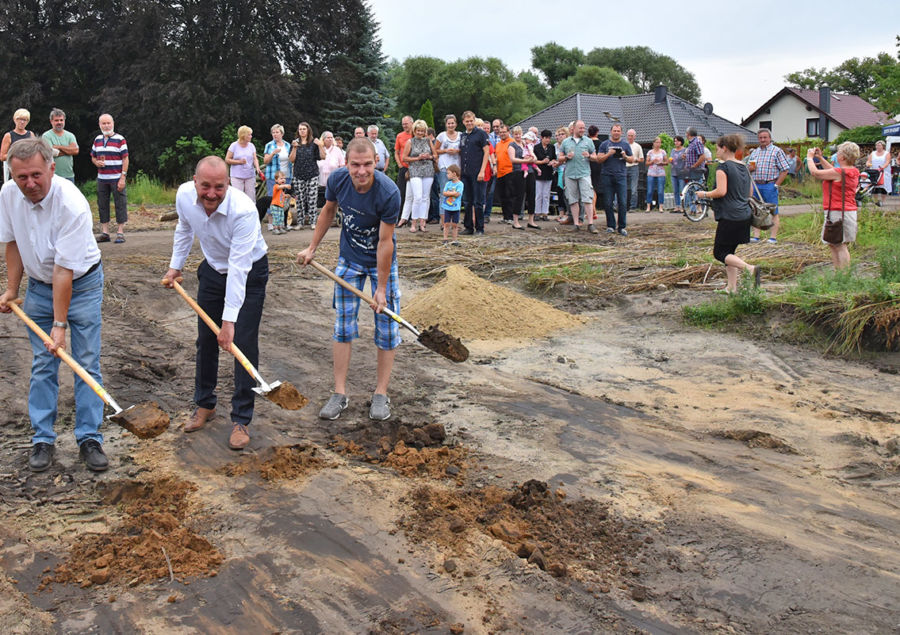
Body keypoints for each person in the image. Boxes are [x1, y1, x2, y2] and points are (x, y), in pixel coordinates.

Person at [0, 138, 108, 472]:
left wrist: (59, 327)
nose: (29, 184)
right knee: (43, 363)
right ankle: (42, 439)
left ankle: (89, 437)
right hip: (38, 288)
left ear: (50, 168)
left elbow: (64, 271)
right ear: (11, 174)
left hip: (82, 283)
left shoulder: (71, 203)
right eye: (21, 178)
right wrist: (12, 289)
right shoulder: (7, 195)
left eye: (36, 175)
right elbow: (13, 242)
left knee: (86, 361)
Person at [162, 156, 269, 450]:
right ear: (195, 182)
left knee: (242, 344)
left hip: (249, 271)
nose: (211, 193)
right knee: (205, 340)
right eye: (205, 186)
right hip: (212, 269)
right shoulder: (185, 196)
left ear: (230, 184)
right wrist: (175, 267)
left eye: (219, 187)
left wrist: (229, 321)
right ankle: (204, 403)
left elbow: (238, 268)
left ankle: (241, 419)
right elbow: (184, 228)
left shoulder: (244, 211)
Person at [296, 138, 401, 421]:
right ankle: (339, 393)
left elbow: (385, 241)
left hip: (381, 262)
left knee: (387, 328)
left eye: (367, 164)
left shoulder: (388, 192)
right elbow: (328, 211)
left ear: (376, 162)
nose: (362, 171)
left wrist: (380, 288)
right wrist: (312, 248)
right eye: (355, 165)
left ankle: (380, 394)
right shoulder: (338, 180)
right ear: (346, 163)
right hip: (349, 259)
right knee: (343, 326)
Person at [694, 135, 760, 293]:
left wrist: (703, 194)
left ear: (724, 148)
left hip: (730, 215)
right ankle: (731, 287)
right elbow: (749, 192)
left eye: (717, 148)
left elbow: (721, 191)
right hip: (744, 214)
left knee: (719, 253)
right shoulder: (744, 166)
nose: (716, 151)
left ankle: (750, 269)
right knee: (730, 253)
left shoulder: (722, 168)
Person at [806, 143, 861, 270]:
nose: (836, 155)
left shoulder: (841, 172)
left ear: (842, 157)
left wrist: (810, 158)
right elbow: (832, 171)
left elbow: (816, 173)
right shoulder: (850, 171)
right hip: (841, 211)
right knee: (833, 243)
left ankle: (844, 274)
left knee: (839, 244)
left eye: (839, 153)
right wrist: (820, 158)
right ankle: (839, 273)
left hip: (839, 211)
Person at [91, 114, 129, 244]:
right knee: (102, 205)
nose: (106, 126)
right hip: (102, 178)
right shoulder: (97, 139)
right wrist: (96, 163)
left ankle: (120, 232)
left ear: (113, 123)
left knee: (120, 204)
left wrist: (122, 177)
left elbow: (125, 158)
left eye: (108, 123)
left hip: (116, 178)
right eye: (103, 123)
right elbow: (93, 157)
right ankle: (105, 232)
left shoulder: (120, 139)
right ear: (99, 125)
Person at [747, 128, 790, 243]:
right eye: (760, 138)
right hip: (756, 185)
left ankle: (773, 237)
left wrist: (776, 185)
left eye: (765, 137)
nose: (763, 140)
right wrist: (750, 168)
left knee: (773, 211)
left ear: (770, 138)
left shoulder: (776, 151)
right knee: (756, 210)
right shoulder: (755, 152)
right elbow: (748, 168)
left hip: (769, 184)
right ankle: (756, 236)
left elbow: (785, 169)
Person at [558, 120, 597, 232]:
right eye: (580, 128)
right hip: (570, 174)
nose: (582, 130)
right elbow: (559, 158)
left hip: (584, 173)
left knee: (587, 199)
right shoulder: (566, 142)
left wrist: (589, 155)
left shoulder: (588, 141)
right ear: (574, 128)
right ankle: (576, 224)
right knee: (573, 200)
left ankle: (590, 224)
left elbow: (595, 157)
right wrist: (566, 157)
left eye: (583, 128)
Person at [597, 123, 634, 235]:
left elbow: (632, 160)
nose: (616, 132)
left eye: (618, 131)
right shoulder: (604, 144)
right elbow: (599, 159)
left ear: (621, 133)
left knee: (622, 202)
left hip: (621, 176)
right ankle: (610, 225)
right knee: (608, 202)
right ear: (611, 132)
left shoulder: (625, 145)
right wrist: (609, 153)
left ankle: (622, 227)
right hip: (607, 176)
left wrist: (624, 156)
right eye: (614, 131)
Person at [458, 110, 490, 235]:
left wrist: (482, 170)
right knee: (467, 201)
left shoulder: (481, 134)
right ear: (463, 122)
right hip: (465, 173)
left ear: (474, 120)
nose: (469, 123)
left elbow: (486, 151)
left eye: (471, 121)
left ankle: (480, 228)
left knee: (478, 202)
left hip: (477, 172)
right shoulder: (463, 136)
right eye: (467, 121)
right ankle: (468, 227)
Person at [401, 119, 435, 233]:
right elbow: (404, 158)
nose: (420, 133)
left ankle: (422, 222)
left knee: (425, 197)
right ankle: (413, 222)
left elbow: (435, 155)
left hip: (428, 170)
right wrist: (417, 158)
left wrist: (428, 156)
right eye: (418, 131)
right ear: (414, 130)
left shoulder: (428, 141)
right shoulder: (410, 142)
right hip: (415, 170)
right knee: (418, 197)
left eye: (422, 131)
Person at [289, 122, 324, 229]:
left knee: (312, 199)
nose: (302, 131)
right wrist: (294, 148)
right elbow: (291, 160)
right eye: (300, 129)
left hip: (312, 174)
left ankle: (313, 222)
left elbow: (323, 157)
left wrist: (321, 146)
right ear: (298, 131)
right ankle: (300, 222)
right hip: (298, 175)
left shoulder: (314, 143)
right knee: (300, 200)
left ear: (308, 130)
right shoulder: (295, 143)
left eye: (304, 129)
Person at [434, 114, 461, 221]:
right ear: (446, 124)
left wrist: (457, 151)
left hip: (457, 168)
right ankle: (443, 220)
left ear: (456, 124)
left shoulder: (460, 135)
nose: (451, 125)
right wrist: (445, 151)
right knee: (444, 193)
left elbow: (464, 149)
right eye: (449, 123)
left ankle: (454, 219)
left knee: (456, 193)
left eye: (452, 123)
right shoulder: (441, 136)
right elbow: (435, 150)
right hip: (444, 167)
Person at [41, 109, 78, 183]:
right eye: (56, 120)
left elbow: (76, 151)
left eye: (61, 120)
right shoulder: (46, 136)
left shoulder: (70, 135)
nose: (59, 122)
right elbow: (50, 153)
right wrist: (69, 150)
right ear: (51, 121)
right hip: (52, 175)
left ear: (64, 121)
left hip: (69, 175)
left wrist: (59, 147)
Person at [225, 125, 261, 200]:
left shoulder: (251, 146)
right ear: (243, 135)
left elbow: (255, 158)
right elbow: (227, 159)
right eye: (249, 134)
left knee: (251, 196)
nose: (251, 136)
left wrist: (257, 168)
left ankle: (251, 211)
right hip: (236, 176)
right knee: (238, 197)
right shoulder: (234, 145)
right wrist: (239, 162)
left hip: (250, 175)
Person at [0, 108, 35, 182]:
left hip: (29, 170)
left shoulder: (31, 134)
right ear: (15, 120)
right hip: (15, 171)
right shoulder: (8, 136)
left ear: (27, 121)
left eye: (25, 120)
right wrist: (18, 154)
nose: (22, 122)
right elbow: (2, 156)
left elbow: (35, 152)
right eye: (19, 119)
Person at [317, 131, 346, 213]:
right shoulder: (320, 149)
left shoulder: (337, 150)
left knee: (333, 201)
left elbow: (342, 165)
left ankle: (335, 215)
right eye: (328, 137)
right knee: (322, 201)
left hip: (334, 179)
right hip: (321, 180)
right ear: (323, 139)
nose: (330, 139)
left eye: (331, 137)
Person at [263, 124, 292, 196]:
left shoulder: (288, 145)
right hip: (273, 177)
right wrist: (273, 153)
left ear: (282, 134)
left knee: (285, 199)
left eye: (277, 132)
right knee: (273, 198)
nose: (275, 134)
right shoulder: (269, 145)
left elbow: (292, 160)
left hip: (286, 176)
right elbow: (265, 161)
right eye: (273, 132)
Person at [533, 130, 556, 222]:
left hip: (548, 173)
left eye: (549, 138)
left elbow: (554, 158)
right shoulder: (536, 147)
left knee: (546, 194)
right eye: (546, 138)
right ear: (542, 138)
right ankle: (537, 212)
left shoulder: (552, 147)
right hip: (539, 173)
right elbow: (534, 161)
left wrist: (552, 162)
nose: (548, 140)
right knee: (539, 194)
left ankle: (545, 213)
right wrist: (542, 162)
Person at [394, 115, 413, 214]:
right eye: (403, 124)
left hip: (415, 168)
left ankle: (411, 217)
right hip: (404, 168)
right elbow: (396, 152)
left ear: (412, 123)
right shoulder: (399, 136)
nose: (404, 126)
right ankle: (400, 216)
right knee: (401, 192)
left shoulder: (416, 134)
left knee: (413, 194)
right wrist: (399, 164)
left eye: (406, 123)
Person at [441, 164, 463, 245]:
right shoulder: (448, 184)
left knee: (454, 224)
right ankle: (445, 238)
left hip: (455, 208)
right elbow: (444, 193)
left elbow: (458, 194)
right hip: (447, 207)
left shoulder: (460, 184)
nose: (447, 175)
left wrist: (449, 193)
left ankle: (454, 239)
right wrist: (452, 193)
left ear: (454, 173)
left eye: (448, 173)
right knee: (446, 223)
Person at [866, 140, 891, 206]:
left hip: (884, 172)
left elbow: (887, 162)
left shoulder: (887, 153)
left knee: (883, 188)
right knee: (875, 186)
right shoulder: (873, 153)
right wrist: (868, 164)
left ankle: (883, 201)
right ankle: (876, 201)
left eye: (879, 145)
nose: (878, 147)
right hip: (874, 171)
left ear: (883, 146)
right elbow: (868, 161)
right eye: (877, 145)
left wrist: (882, 167)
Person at [645, 137, 667, 211]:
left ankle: (661, 206)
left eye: (659, 142)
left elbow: (667, 162)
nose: (658, 144)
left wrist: (662, 163)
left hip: (661, 173)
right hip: (651, 173)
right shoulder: (650, 152)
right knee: (649, 190)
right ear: (653, 143)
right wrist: (652, 161)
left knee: (660, 191)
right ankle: (648, 206)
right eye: (656, 142)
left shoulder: (663, 152)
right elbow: (646, 163)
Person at [625, 129, 644, 211]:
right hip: (624, 167)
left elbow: (642, 159)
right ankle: (620, 205)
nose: (630, 137)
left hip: (634, 167)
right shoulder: (624, 145)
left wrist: (636, 160)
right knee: (621, 187)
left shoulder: (638, 146)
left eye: (631, 136)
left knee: (634, 188)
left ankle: (633, 206)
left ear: (635, 137)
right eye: (629, 135)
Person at [670, 135, 687, 212]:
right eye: (675, 141)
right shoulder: (673, 150)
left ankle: (683, 206)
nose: (676, 142)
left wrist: (685, 158)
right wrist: (670, 160)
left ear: (681, 142)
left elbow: (687, 159)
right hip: (673, 172)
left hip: (682, 172)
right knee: (675, 190)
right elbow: (670, 159)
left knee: (682, 190)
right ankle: (677, 206)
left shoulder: (685, 150)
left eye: (677, 141)